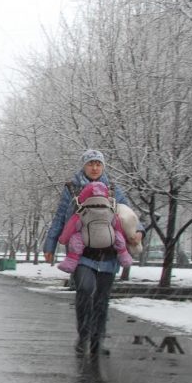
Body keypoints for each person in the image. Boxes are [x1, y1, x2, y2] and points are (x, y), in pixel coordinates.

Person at [44, 149, 143, 356]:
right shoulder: (72, 189)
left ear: (103, 166)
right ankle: (84, 335)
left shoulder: (113, 189)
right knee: (85, 291)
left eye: (98, 164)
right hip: (81, 254)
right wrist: (50, 245)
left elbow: (128, 214)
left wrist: (139, 232)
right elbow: (61, 217)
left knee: (102, 298)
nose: (95, 167)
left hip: (109, 253)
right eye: (91, 163)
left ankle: (98, 340)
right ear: (84, 166)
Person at [55, 182, 134, 274]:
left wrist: (63, 239)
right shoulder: (111, 212)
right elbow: (118, 227)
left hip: (87, 240)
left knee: (75, 239)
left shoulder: (81, 213)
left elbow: (70, 228)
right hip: (109, 240)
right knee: (118, 235)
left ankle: (71, 262)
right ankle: (124, 256)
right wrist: (125, 239)